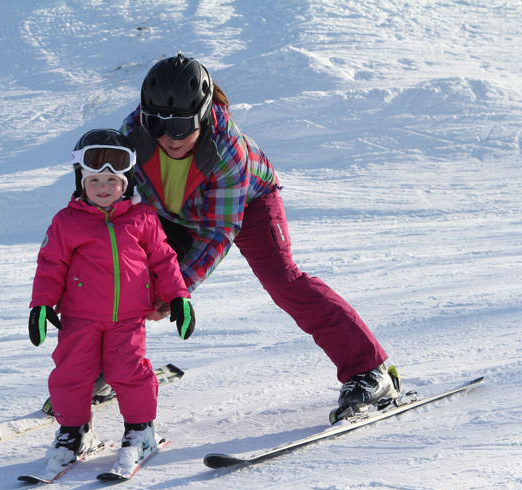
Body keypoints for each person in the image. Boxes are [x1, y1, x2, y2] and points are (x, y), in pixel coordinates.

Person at [120, 54, 398, 411]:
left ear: (203, 115)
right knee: (125, 273)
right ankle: (112, 363)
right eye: (157, 123)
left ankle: (369, 370)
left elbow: (219, 231)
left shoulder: (225, 148)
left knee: (285, 283)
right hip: (174, 211)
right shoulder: (134, 133)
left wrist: (177, 290)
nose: (168, 137)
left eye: (181, 125)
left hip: (249, 205)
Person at [29, 129, 196, 475]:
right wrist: (42, 304)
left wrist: (178, 297)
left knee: (129, 373)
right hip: (79, 317)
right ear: (80, 181)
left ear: (127, 182)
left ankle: (141, 430)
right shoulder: (66, 222)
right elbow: (50, 264)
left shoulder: (142, 218)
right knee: (71, 374)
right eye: (94, 180)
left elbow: (164, 260)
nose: (103, 187)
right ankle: (74, 432)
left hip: (128, 319)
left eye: (112, 180)